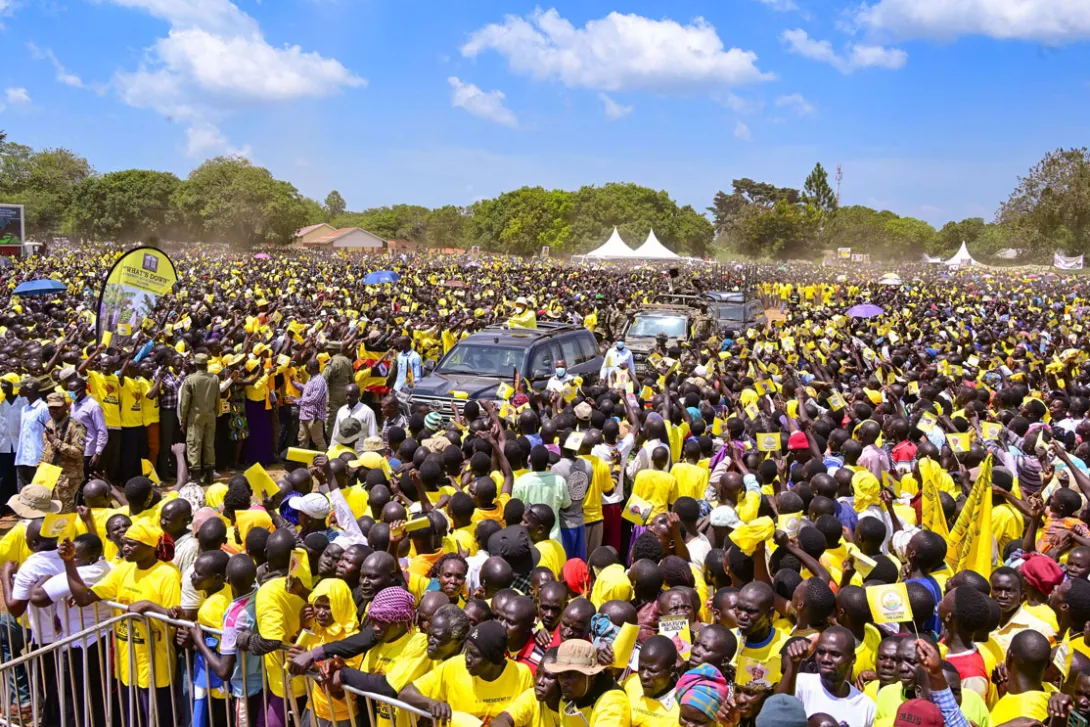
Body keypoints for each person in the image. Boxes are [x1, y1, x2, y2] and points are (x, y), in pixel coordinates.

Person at [59, 520, 182, 727]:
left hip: (155, 666)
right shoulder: (122, 568)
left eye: (132, 544)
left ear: (150, 546)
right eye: (124, 543)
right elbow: (84, 598)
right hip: (126, 664)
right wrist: (69, 563)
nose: (125, 548)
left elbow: (174, 619)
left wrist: (147, 605)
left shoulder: (167, 574)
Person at [399, 618, 533, 723]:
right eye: (467, 651)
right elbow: (405, 693)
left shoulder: (521, 674)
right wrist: (432, 704)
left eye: (475, 655)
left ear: (494, 659)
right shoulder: (454, 667)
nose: (467, 658)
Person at [778, 627, 876, 727]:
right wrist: (793, 665)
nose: (825, 659)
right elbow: (777, 712)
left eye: (835, 654)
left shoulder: (866, 707)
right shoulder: (801, 684)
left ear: (852, 659)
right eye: (821, 652)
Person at [40, 392, 87, 512]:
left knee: (62, 512)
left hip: (68, 476)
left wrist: (56, 442)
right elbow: (47, 448)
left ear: (65, 407)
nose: (54, 410)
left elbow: (78, 452)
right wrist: (40, 466)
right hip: (49, 473)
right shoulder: (49, 423)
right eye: (51, 407)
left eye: (57, 407)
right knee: (46, 509)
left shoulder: (75, 426)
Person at [180, 353, 222, 484]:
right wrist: (215, 413)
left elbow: (185, 403)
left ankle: (195, 477)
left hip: (195, 417)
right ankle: (209, 476)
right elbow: (217, 399)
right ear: (206, 364)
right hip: (210, 415)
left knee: (194, 444)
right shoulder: (214, 378)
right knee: (209, 445)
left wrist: (183, 419)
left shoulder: (190, 380)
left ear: (196, 364)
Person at [67, 374, 107, 481]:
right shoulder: (74, 404)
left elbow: (102, 430)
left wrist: (98, 453)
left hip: (88, 452)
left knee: (87, 481)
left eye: (71, 390)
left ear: (80, 390)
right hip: (75, 449)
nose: (69, 393)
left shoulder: (93, 406)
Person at [14, 378, 49, 487]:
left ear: (29, 389)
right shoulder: (24, 409)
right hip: (22, 458)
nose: (18, 389)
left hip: (37, 459)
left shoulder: (44, 408)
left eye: (21, 387)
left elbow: (50, 433)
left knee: (38, 492)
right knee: (23, 493)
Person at [296, 358, 329, 449]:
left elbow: (314, 399)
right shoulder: (311, 378)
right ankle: (303, 458)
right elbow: (306, 389)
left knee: (318, 440)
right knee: (302, 439)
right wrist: (294, 383)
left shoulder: (319, 381)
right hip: (305, 415)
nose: (305, 368)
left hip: (314, 417)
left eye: (307, 366)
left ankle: (323, 457)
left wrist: (296, 400)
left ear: (312, 368)